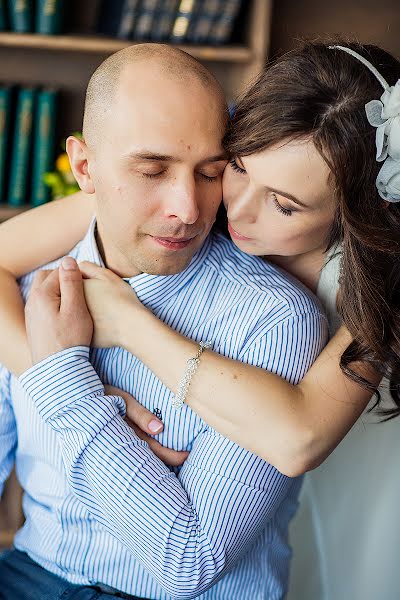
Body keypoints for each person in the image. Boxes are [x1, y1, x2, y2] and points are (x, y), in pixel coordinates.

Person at [0, 40, 399, 599]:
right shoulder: (113, 219)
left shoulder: (342, 300)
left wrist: (96, 356)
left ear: (353, 215)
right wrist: (53, 372)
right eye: (231, 169)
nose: (208, 210)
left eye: (284, 205)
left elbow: (298, 437)